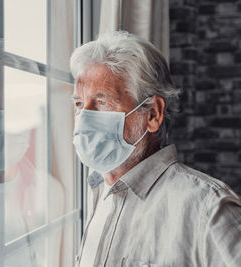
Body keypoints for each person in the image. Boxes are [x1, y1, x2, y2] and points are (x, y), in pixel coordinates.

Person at [70, 31, 241, 267]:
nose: (85, 117)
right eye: (79, 103)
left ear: (152, 114)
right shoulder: (97, 191)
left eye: (103, 102)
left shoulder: (209, 209)